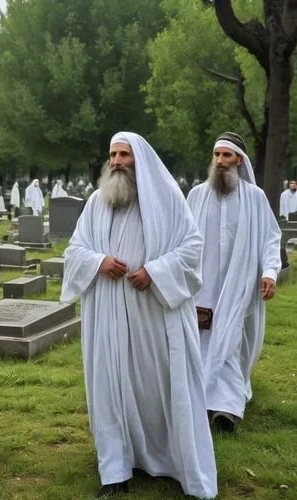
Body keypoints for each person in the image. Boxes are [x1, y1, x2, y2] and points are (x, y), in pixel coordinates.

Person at [61, 132, 217, 499]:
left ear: (139, 160)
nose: (116, 161)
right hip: (106, 314)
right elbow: (75, 249)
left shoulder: (166, 200)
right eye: (113, 154)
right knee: (108, 385)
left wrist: (156, 272)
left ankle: (164, 456)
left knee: (154, 386)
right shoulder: (97, 202)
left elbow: (192, 247)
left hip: (150, 315)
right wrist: (98, 261)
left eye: (124, 155)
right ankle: (115, 468)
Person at [187, 132, 281, 432]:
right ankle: (213, 402)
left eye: (227, 155)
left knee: (231, 340)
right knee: (204, 340)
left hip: (240, 284)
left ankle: (226, 406)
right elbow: (184, 240)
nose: (220, 161)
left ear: (239, 160)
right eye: (217, 155)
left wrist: (269, 272)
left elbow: (270, 238)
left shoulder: (254, 198)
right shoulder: (197, 196)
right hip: (203, 286)